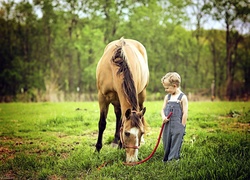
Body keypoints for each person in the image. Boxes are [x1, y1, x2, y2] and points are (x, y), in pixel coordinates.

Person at [160, 72, 188, 162]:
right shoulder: (167, 97)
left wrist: (182, 126)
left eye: (167, 88)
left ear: (175, 86)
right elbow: (162, 110)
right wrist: (163, 117)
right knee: (166, 141)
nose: (166, 90)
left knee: (176, 142)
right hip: (167, 124)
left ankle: (172, 160)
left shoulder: (182, 98)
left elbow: (185, 113)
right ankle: (166, 158)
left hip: (177, 124)